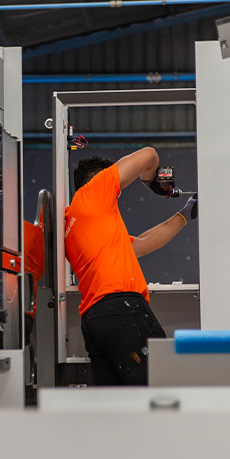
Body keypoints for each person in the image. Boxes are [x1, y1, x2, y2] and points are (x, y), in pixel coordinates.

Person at [64, 150, 197, 386]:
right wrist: (150, 180)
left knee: (117, 404)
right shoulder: (94, 191)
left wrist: (185, 214)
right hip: (122, 310)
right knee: (161, 386)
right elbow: (149, 154)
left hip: (95, 320)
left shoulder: (79, 223)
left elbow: (144, 245)